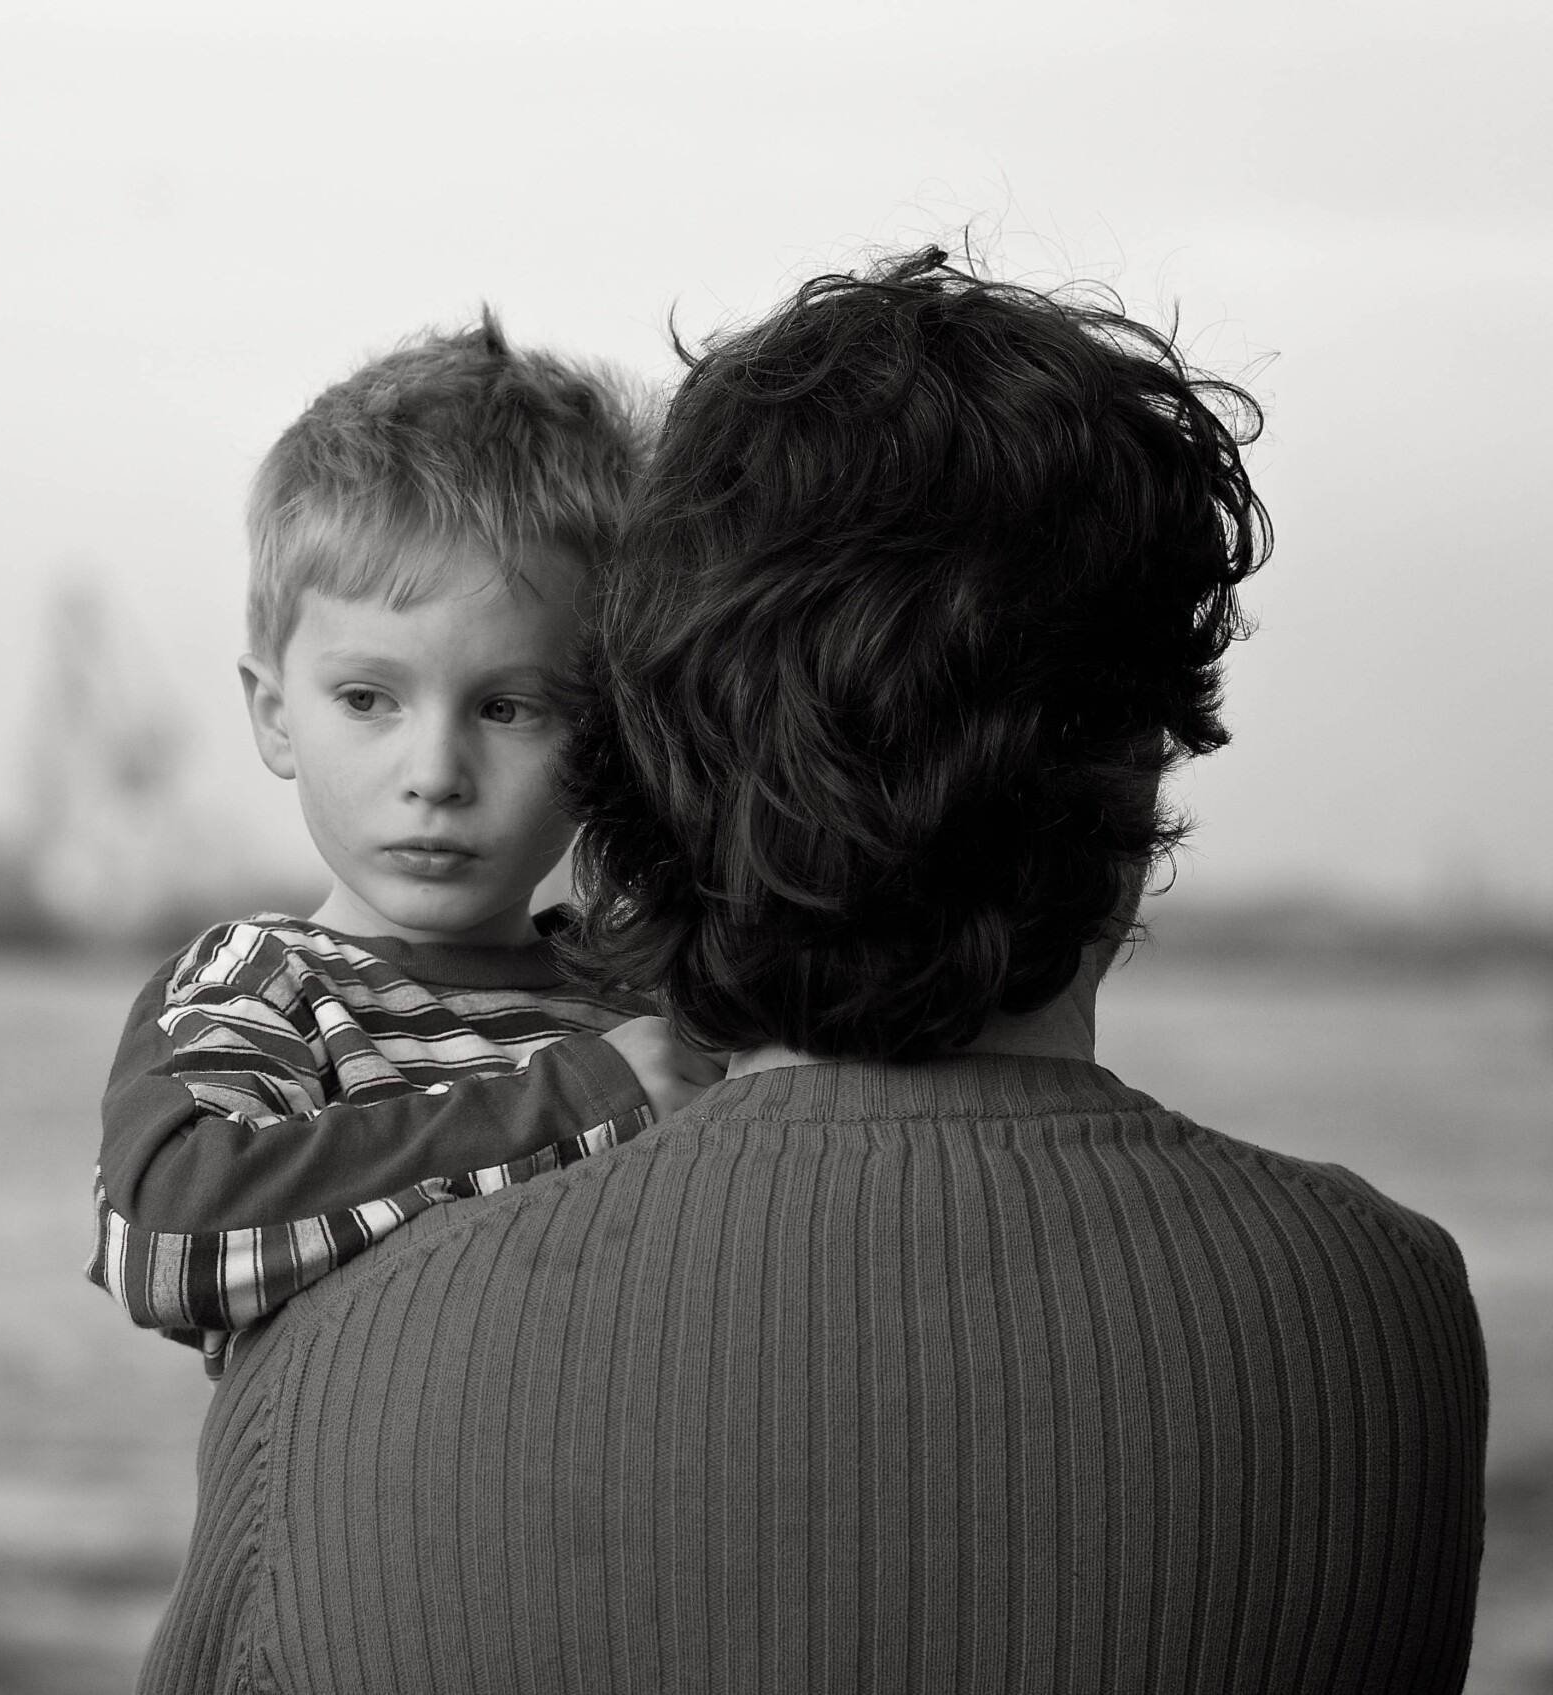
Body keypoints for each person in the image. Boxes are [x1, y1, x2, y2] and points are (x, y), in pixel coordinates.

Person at [139, 250, 1489, 1692]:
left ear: (645, 757)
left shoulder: (335, 1373)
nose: (435, 770)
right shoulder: (1382, 1316)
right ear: (1141, 765)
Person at [88, 313, 724, 1377]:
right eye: (369, 698)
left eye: (511, 708)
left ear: (608, 731)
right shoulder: (267, 989)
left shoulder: (650, 1002)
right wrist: (580, 1106)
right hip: (359, 1532)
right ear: (275, 716)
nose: (435, 771)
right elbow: (167, 1239)